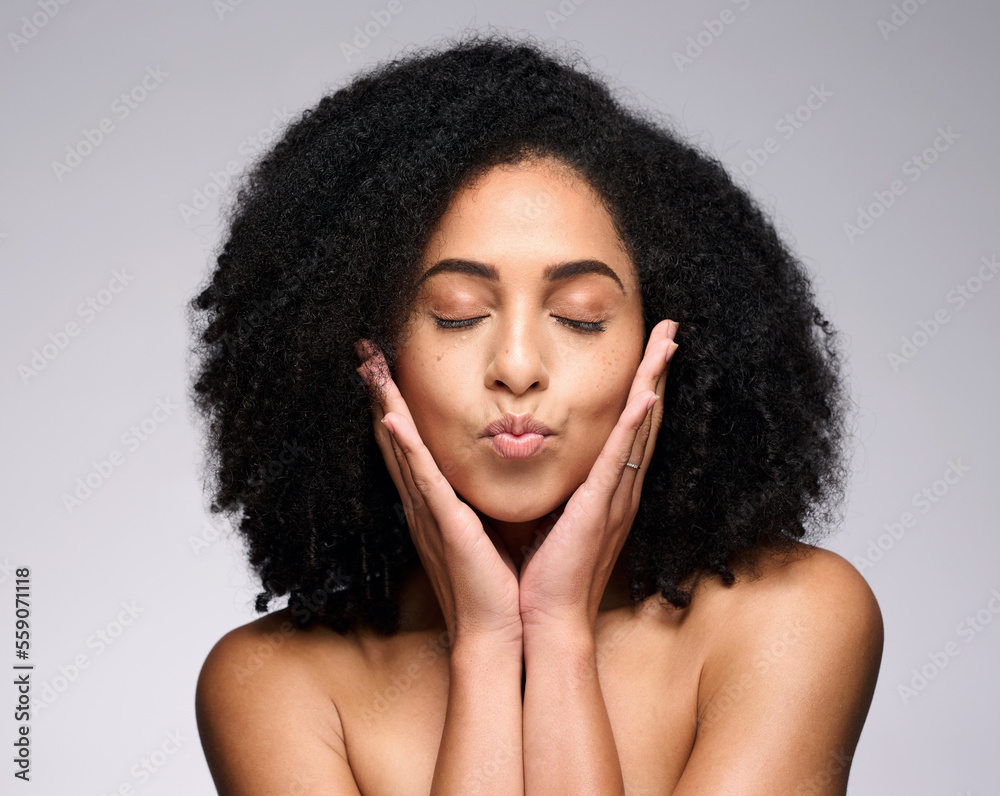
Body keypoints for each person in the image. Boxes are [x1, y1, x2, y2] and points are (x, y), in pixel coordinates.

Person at [189, 31, 883, 795]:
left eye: (582, 316)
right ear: (363, 351)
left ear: (671, 341)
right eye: (456, 314)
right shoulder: (274, 686)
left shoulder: (792, 621)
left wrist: (558, 637)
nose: (517, 368)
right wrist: (487, 645)